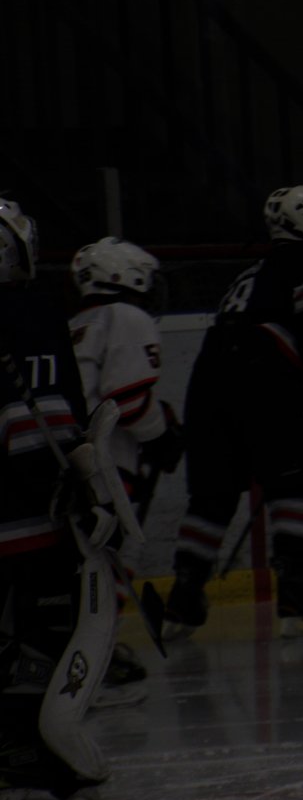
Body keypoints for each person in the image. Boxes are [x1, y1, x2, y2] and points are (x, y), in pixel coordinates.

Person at [162, 185, 303, 641]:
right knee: (290, 481)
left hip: (209, 375)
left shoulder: (254, 271)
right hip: (262, 372)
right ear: (300, 224)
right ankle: (292, 588)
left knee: (212, 493)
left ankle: (185, 595)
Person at [0, 198, 121, 800]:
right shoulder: (29, 312)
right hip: (24, 512)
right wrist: (76, 487)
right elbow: (43, 420)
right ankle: (23, 757)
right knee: (46, 630)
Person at [69, 236, 184, 703]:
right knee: (113, 557)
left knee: (82, 562)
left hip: (72, 459)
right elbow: (129, 400)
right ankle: (96, 654)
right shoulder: (127, 316)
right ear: (125, 276)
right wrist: (163, 434)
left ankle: (77, 651)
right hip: (110, 461)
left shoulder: (77, 322)